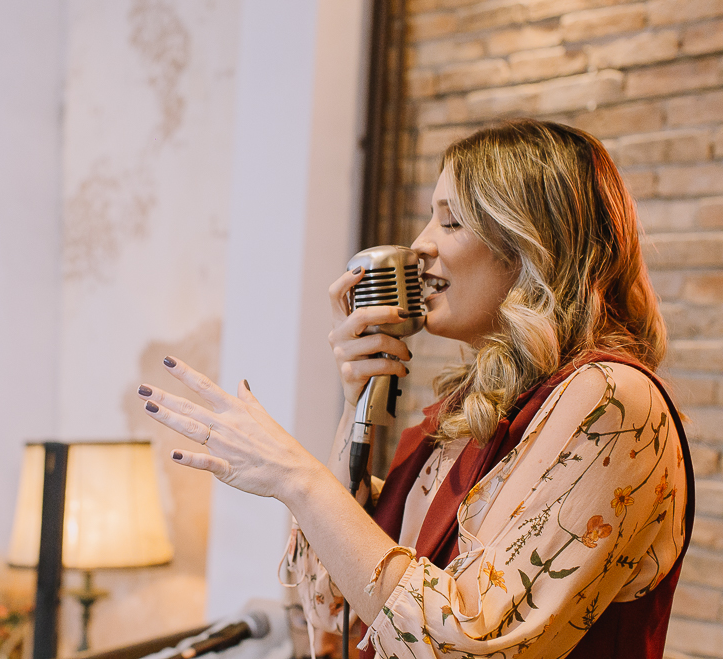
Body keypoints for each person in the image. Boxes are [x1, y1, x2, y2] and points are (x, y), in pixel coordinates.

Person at [137, 119, 693, 659]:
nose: (420, 244)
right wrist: (358, 401)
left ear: (533, 245)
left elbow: (463, 644)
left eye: (450, 222)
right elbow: (330, 606)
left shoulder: (613, 400)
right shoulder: (469, 414)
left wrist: (296, 476)